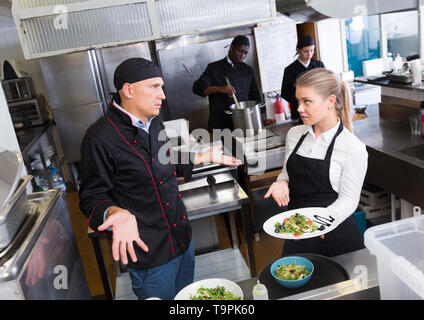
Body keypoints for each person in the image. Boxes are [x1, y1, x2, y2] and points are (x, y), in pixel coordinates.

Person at [79, 58, 241, 300]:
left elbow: (159, 160)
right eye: (154, 87)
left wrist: (199, 156)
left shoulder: (154, 121)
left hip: (180, 238)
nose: (162, 95)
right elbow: (91, 195)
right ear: (129, 90)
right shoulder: (99, 137)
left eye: (162, 87)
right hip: (149, 252)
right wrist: (114, 212)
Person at [265, 68, 368, 257]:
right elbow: (287, 171)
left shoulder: (352, 147)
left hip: (336, 235)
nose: (299, 109)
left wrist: (322, 221)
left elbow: (349, 200)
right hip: (297, 231)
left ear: (330, 102)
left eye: (307, 102)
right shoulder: (295, 135)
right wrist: (281, 182)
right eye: (298, 101)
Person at [193, 35, 269, 131]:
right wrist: (221, 89)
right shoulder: (214, 68)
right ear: (231, 48)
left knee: (244, 146)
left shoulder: (247, 70)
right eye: (240, 51)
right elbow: (197, 88)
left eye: (245, 53)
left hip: (244, 124)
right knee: (226, 146)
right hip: (220, 126)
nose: (243, 56)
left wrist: (263, 119)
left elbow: (256, 97)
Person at [281, 35, 325, 122]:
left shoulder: (319, 65)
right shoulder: (289, 70)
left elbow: (325, 86)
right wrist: (303, 101)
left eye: (312, 50)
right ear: (298, 50)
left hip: (318, 110)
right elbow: (285, 93)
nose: (309, 54)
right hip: (299, 113)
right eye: (306, 51)